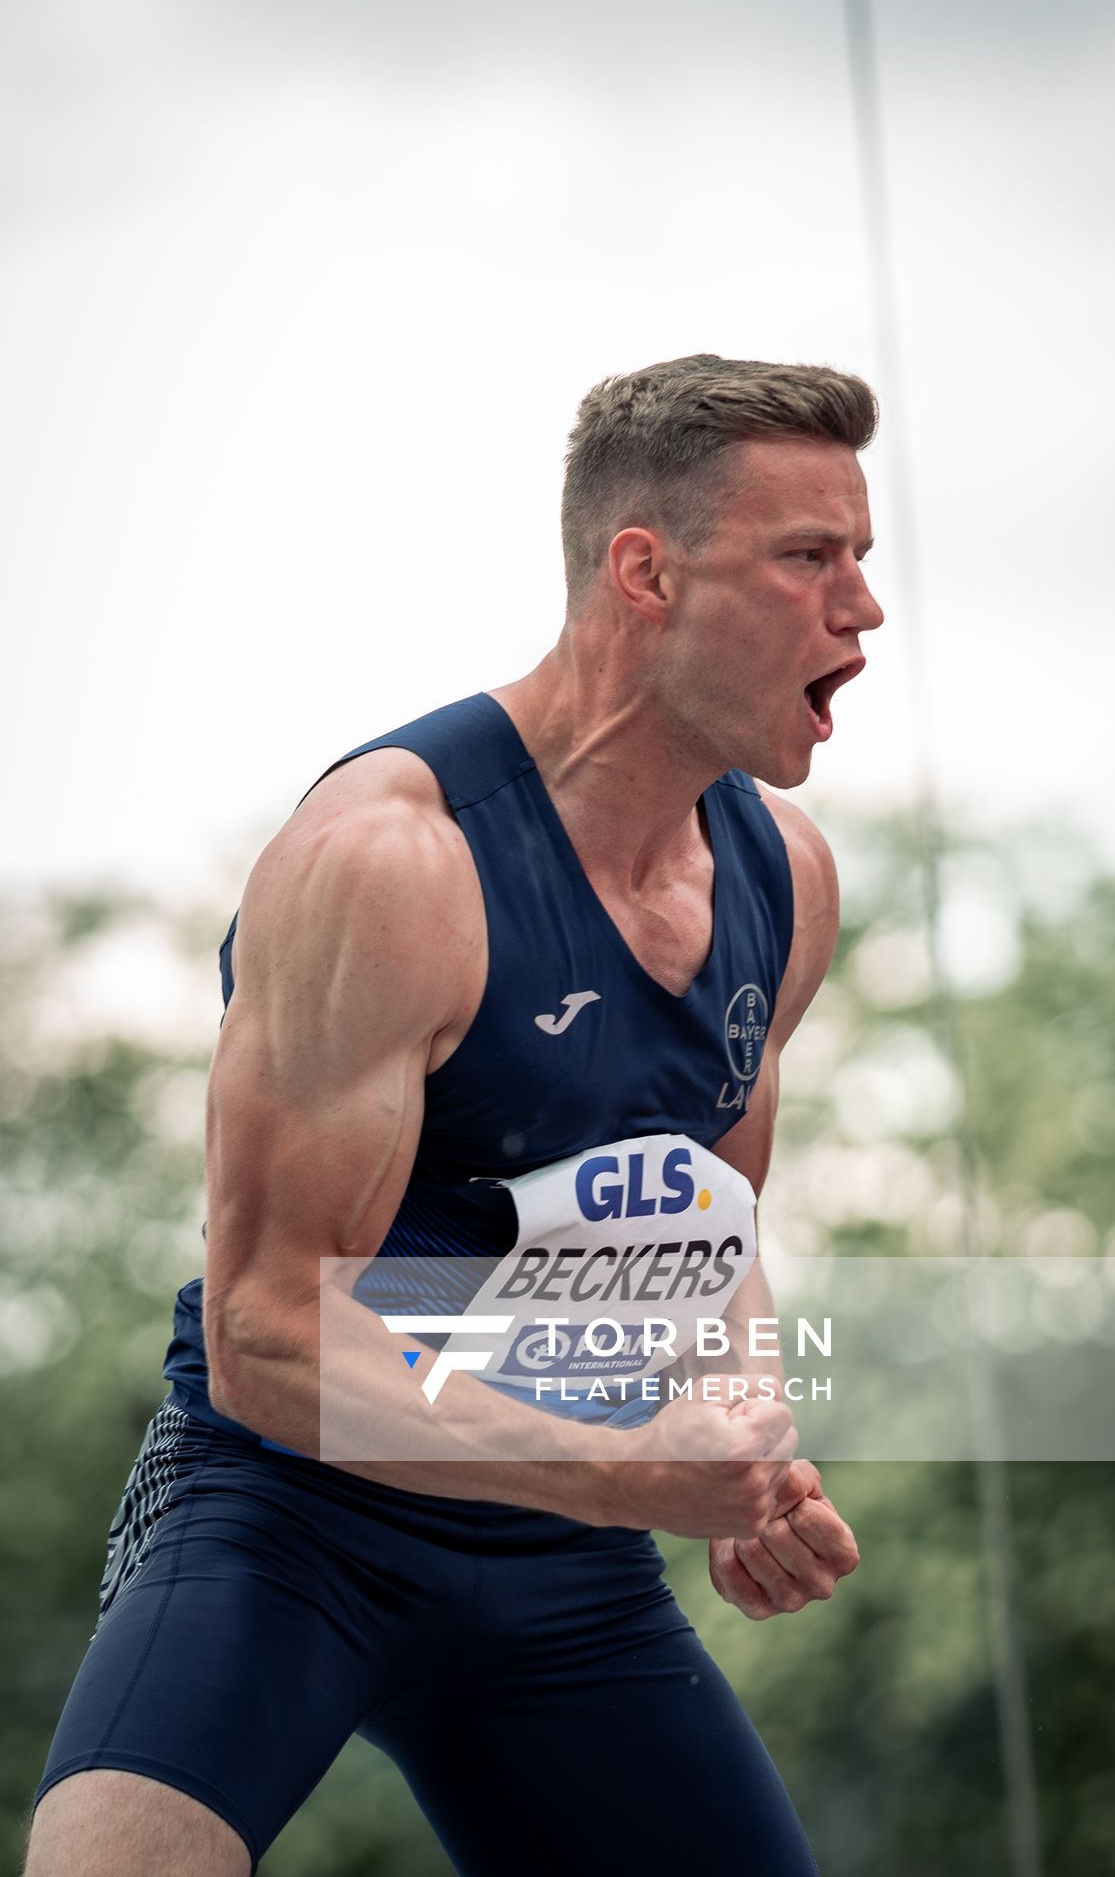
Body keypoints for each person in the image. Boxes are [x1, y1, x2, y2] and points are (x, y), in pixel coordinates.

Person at [26, 353, 881, 1876]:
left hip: (570, 1570)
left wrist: (744, 1455)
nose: (862, 610)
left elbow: (702, 1241)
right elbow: (271, 1335)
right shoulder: (390, 860)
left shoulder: (788, 882)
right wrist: (632, 1465)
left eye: (862, 561)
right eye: (810, 558)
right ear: (646, 574)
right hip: (291, 1524)